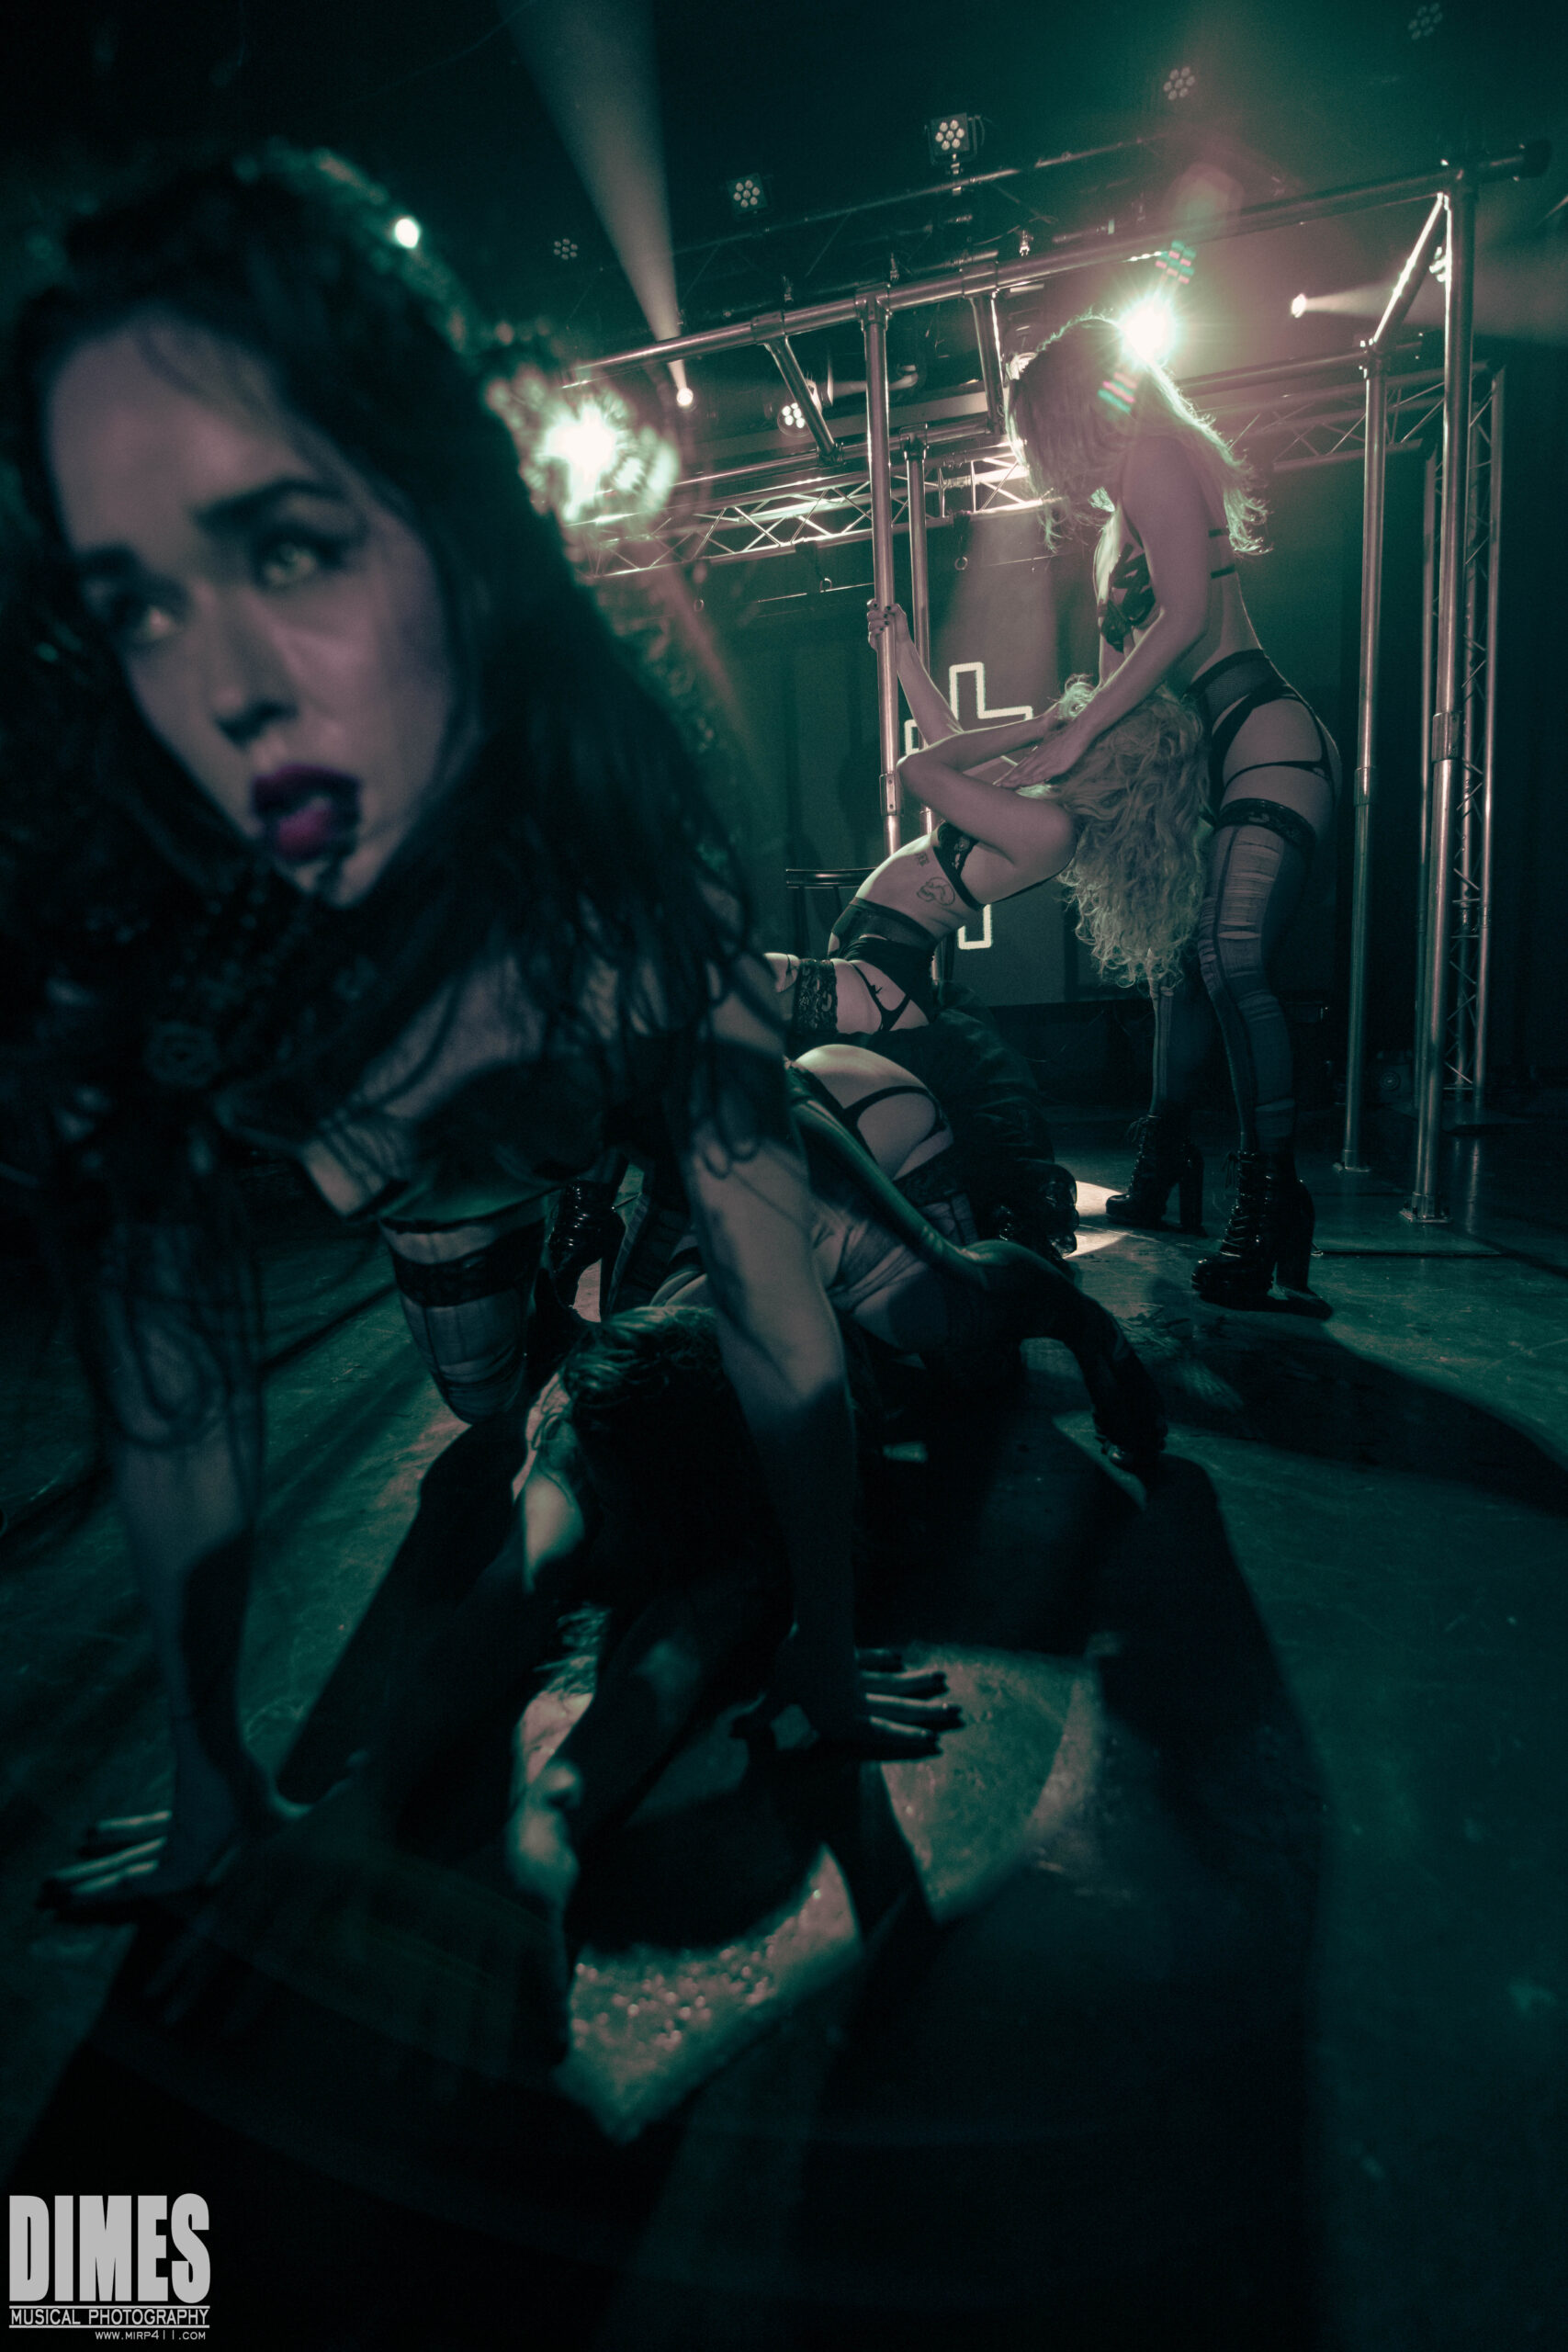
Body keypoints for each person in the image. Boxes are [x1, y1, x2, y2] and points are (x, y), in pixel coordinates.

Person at [0, 146, 955, 1923]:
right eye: (141, 604)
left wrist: (823, 1653)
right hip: (446, 1188)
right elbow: (170, 1380)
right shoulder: (136, 898)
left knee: (633, 1365)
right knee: (479, 1421)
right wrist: (211, 1783)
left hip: (588, 1113)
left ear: (451, 527)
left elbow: (779, 1318)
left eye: (288, 549)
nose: (224, 691)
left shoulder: (629, 861)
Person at [881, 314, 1340, 1306]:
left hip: (1261, 729)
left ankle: (1273, 1202)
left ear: (1070, 409)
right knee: (1177, 971)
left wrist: (1076, 736)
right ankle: (1168, 1161)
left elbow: (1184, 618)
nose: (1040, 457)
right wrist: (1049, 751)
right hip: (1197, 753)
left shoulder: (1158, 454)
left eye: (1037, 431)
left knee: (1230, 959)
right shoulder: (1116, 518)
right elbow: (1118, 683)